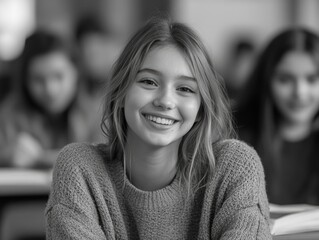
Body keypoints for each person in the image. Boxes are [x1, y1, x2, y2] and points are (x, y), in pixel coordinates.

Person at [45, 16, 272, 239]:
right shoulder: (80, 169)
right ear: (121, 92)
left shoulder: (235, 168)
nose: (165, 101)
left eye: (185, 89)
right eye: (148, 82)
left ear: (201, 108)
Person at [235, 28, 319, 205]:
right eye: (285, 79)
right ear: (266, 82)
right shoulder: (234, 140)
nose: (300, 93)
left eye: (312, 79)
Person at [0, 29, 102, 169]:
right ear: (25, 81)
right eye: (38, 79)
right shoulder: (9, 115)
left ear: (76, 73)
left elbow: (108, 161)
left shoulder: (99, 114)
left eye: (58, 76)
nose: (50, 90)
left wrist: (40, 158)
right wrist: (6, 156)